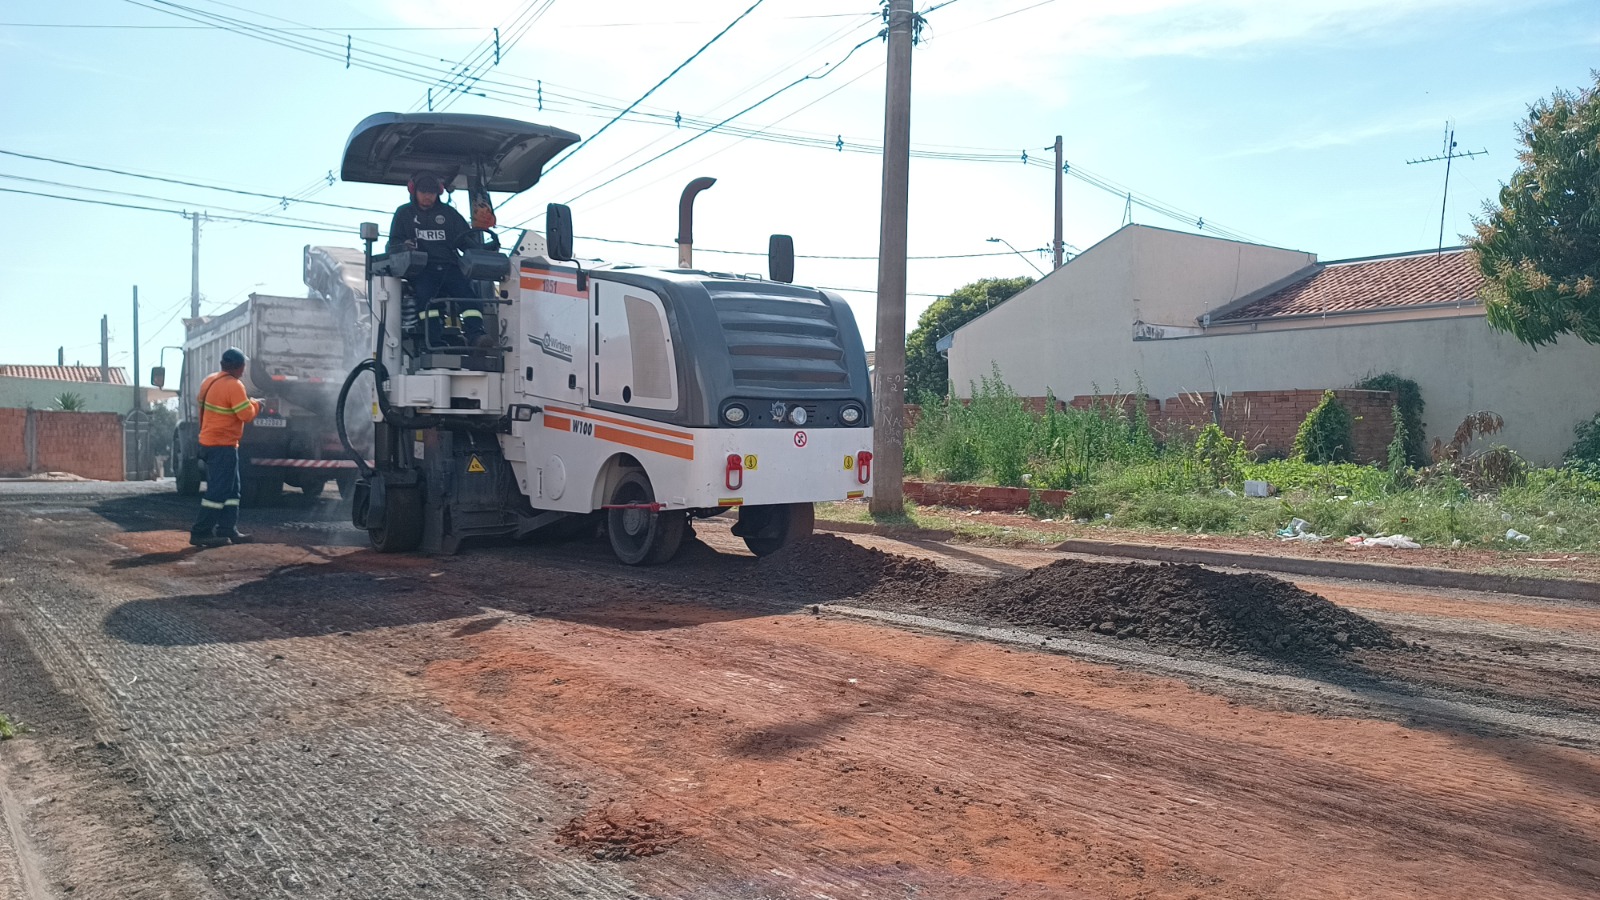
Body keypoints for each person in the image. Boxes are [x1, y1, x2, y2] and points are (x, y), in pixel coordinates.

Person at [386, 170, 486, 347]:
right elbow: (392, 244)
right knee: (426, 299)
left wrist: (483, 250)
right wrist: (403, 246)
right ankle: (433, 342)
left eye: (431, 193)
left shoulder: (450, 214)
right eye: (423, 192)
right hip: (421, 269)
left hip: (450, 267)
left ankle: (477, 336)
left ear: (437, 193)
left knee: (468, 296)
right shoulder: (404, 214)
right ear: (413, 191)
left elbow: (465, 241)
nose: (427, 196)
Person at [190, 347, 262, 548]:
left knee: (232, 491)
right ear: (239, 368)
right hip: (222, 445)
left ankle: (227, 529)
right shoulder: (234, 386)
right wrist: (256, 404)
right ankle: (201, 532)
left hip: (211, 442)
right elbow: (246, 414)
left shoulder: (209, 381)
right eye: (243, 367)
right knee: (219, 491)